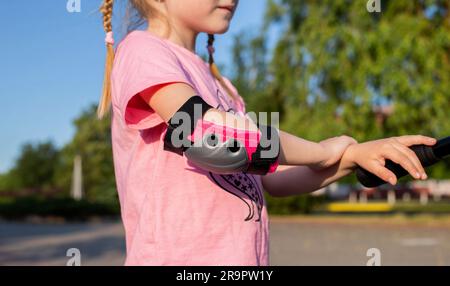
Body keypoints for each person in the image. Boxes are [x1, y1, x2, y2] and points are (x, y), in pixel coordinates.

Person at [96, 0, 437, 266]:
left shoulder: (222, 86)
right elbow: (205, 134)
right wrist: (321, 151)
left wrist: (351, 156)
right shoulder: (142, 51)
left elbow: (270, 175)